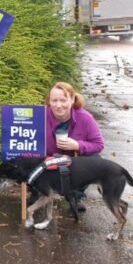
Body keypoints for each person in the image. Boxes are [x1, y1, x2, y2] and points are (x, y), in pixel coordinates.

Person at [44, 81, 105, 212]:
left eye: (63, 100)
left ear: (72, 99)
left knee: (95, 160)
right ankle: (39, 192)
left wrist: (77, 145)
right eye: (54, 100)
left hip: (74, 161)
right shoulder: (41, 116)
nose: (58, 105)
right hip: (48, 159)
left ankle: (76, 195)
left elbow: (98, 145)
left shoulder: (85, 118)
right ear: (49, 101)